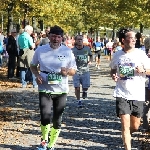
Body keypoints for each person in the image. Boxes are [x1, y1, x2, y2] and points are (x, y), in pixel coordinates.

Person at [30, 25, 77, 150]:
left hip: (61, 89)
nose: (56, 39)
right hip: (44, 87)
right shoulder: (40, 50)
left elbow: (74, 71)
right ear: (49, 36)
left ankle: (52, 143)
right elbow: (33, 65)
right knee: (45, 115)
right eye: (53, 36)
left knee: (57, 118)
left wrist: (67, 72)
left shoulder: (67, 51)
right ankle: (44, 141)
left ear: (62, 38)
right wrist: (37, 75)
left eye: (58, 37)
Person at [110, 28, 150, 150]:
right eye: (131, 38)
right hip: (122, 92)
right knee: (125, 124)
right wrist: (113, 75)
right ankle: (127, 146)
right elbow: (112, 69)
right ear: (123, 40)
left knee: (135, 126)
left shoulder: (140, 54)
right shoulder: (117, 55)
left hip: (137, 93)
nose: (134, 40)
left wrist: (143, 71)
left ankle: (127, 135)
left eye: (135, 38)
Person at [72, 35, 93, 107]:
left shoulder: (87, 48)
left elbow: (91, 55)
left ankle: (84, 91)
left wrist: (90, 61)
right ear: (75, 41)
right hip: (76, 71)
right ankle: (79, 100)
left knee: (86, 86)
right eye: (78, 39)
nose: (79, 41)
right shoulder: (72, 50)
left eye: (81, 39)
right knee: (77, 87)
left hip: (85, 71)